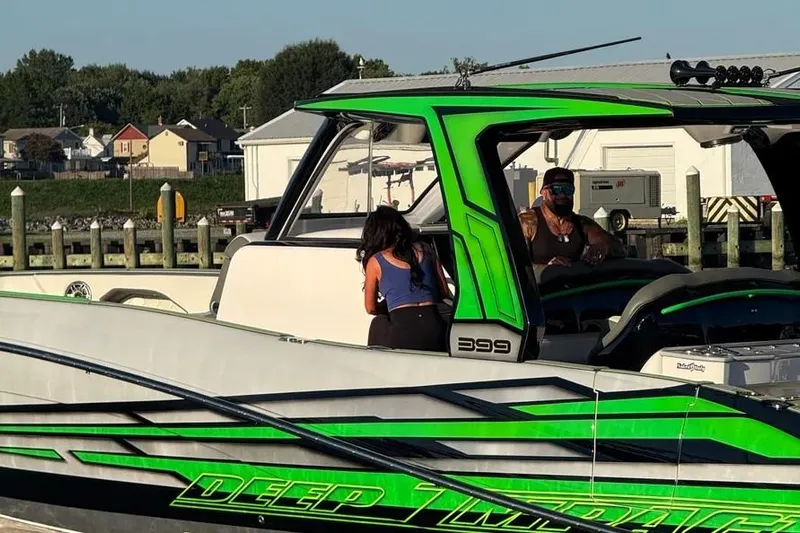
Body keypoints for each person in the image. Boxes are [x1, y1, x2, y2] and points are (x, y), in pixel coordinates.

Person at [357, 206, 451, 351]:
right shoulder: (426, 249)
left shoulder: (376, 261)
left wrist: (392, 303)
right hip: (434, 330)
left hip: (403, 333)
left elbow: (371, 308)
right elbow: (443, 291)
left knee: (378, 322)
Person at [519, 167, 625, 266]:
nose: (562, 195)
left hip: (576, 285)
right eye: (556, 189)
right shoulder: (528, 221)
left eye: (568, 189)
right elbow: (515, 265)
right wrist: (547, 268)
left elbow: (619, 247)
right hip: (539, 285)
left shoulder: (581, 224)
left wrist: (603, 246)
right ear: (543, 192)